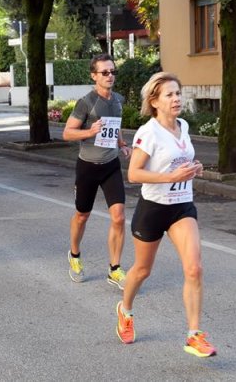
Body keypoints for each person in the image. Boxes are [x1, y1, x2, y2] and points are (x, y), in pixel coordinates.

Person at [115, 71, 216, 358]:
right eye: (169, 94)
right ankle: (126, 309)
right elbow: (134, 173)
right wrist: (171, 175)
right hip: (154, 208)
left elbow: (181, 162)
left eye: (178, 93)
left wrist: (194, 168)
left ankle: (194, 334)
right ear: (155, 101)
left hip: (182, 206)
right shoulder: (149, 132)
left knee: (195, 268)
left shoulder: (183, 126)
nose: (176, 99)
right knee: (142, 270)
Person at [62, 54, 131, 290]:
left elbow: (116, 126)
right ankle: (74, 254)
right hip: (88, 167)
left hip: (111, 166)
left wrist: (122, 144)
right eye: (105, 72)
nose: (110, 76)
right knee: (82, 215)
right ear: (94, 76)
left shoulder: (118, 100)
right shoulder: (86, 102)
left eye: (113, 72)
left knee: (119, 217)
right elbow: (67, 133)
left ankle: (114, 268)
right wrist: (89, 131)